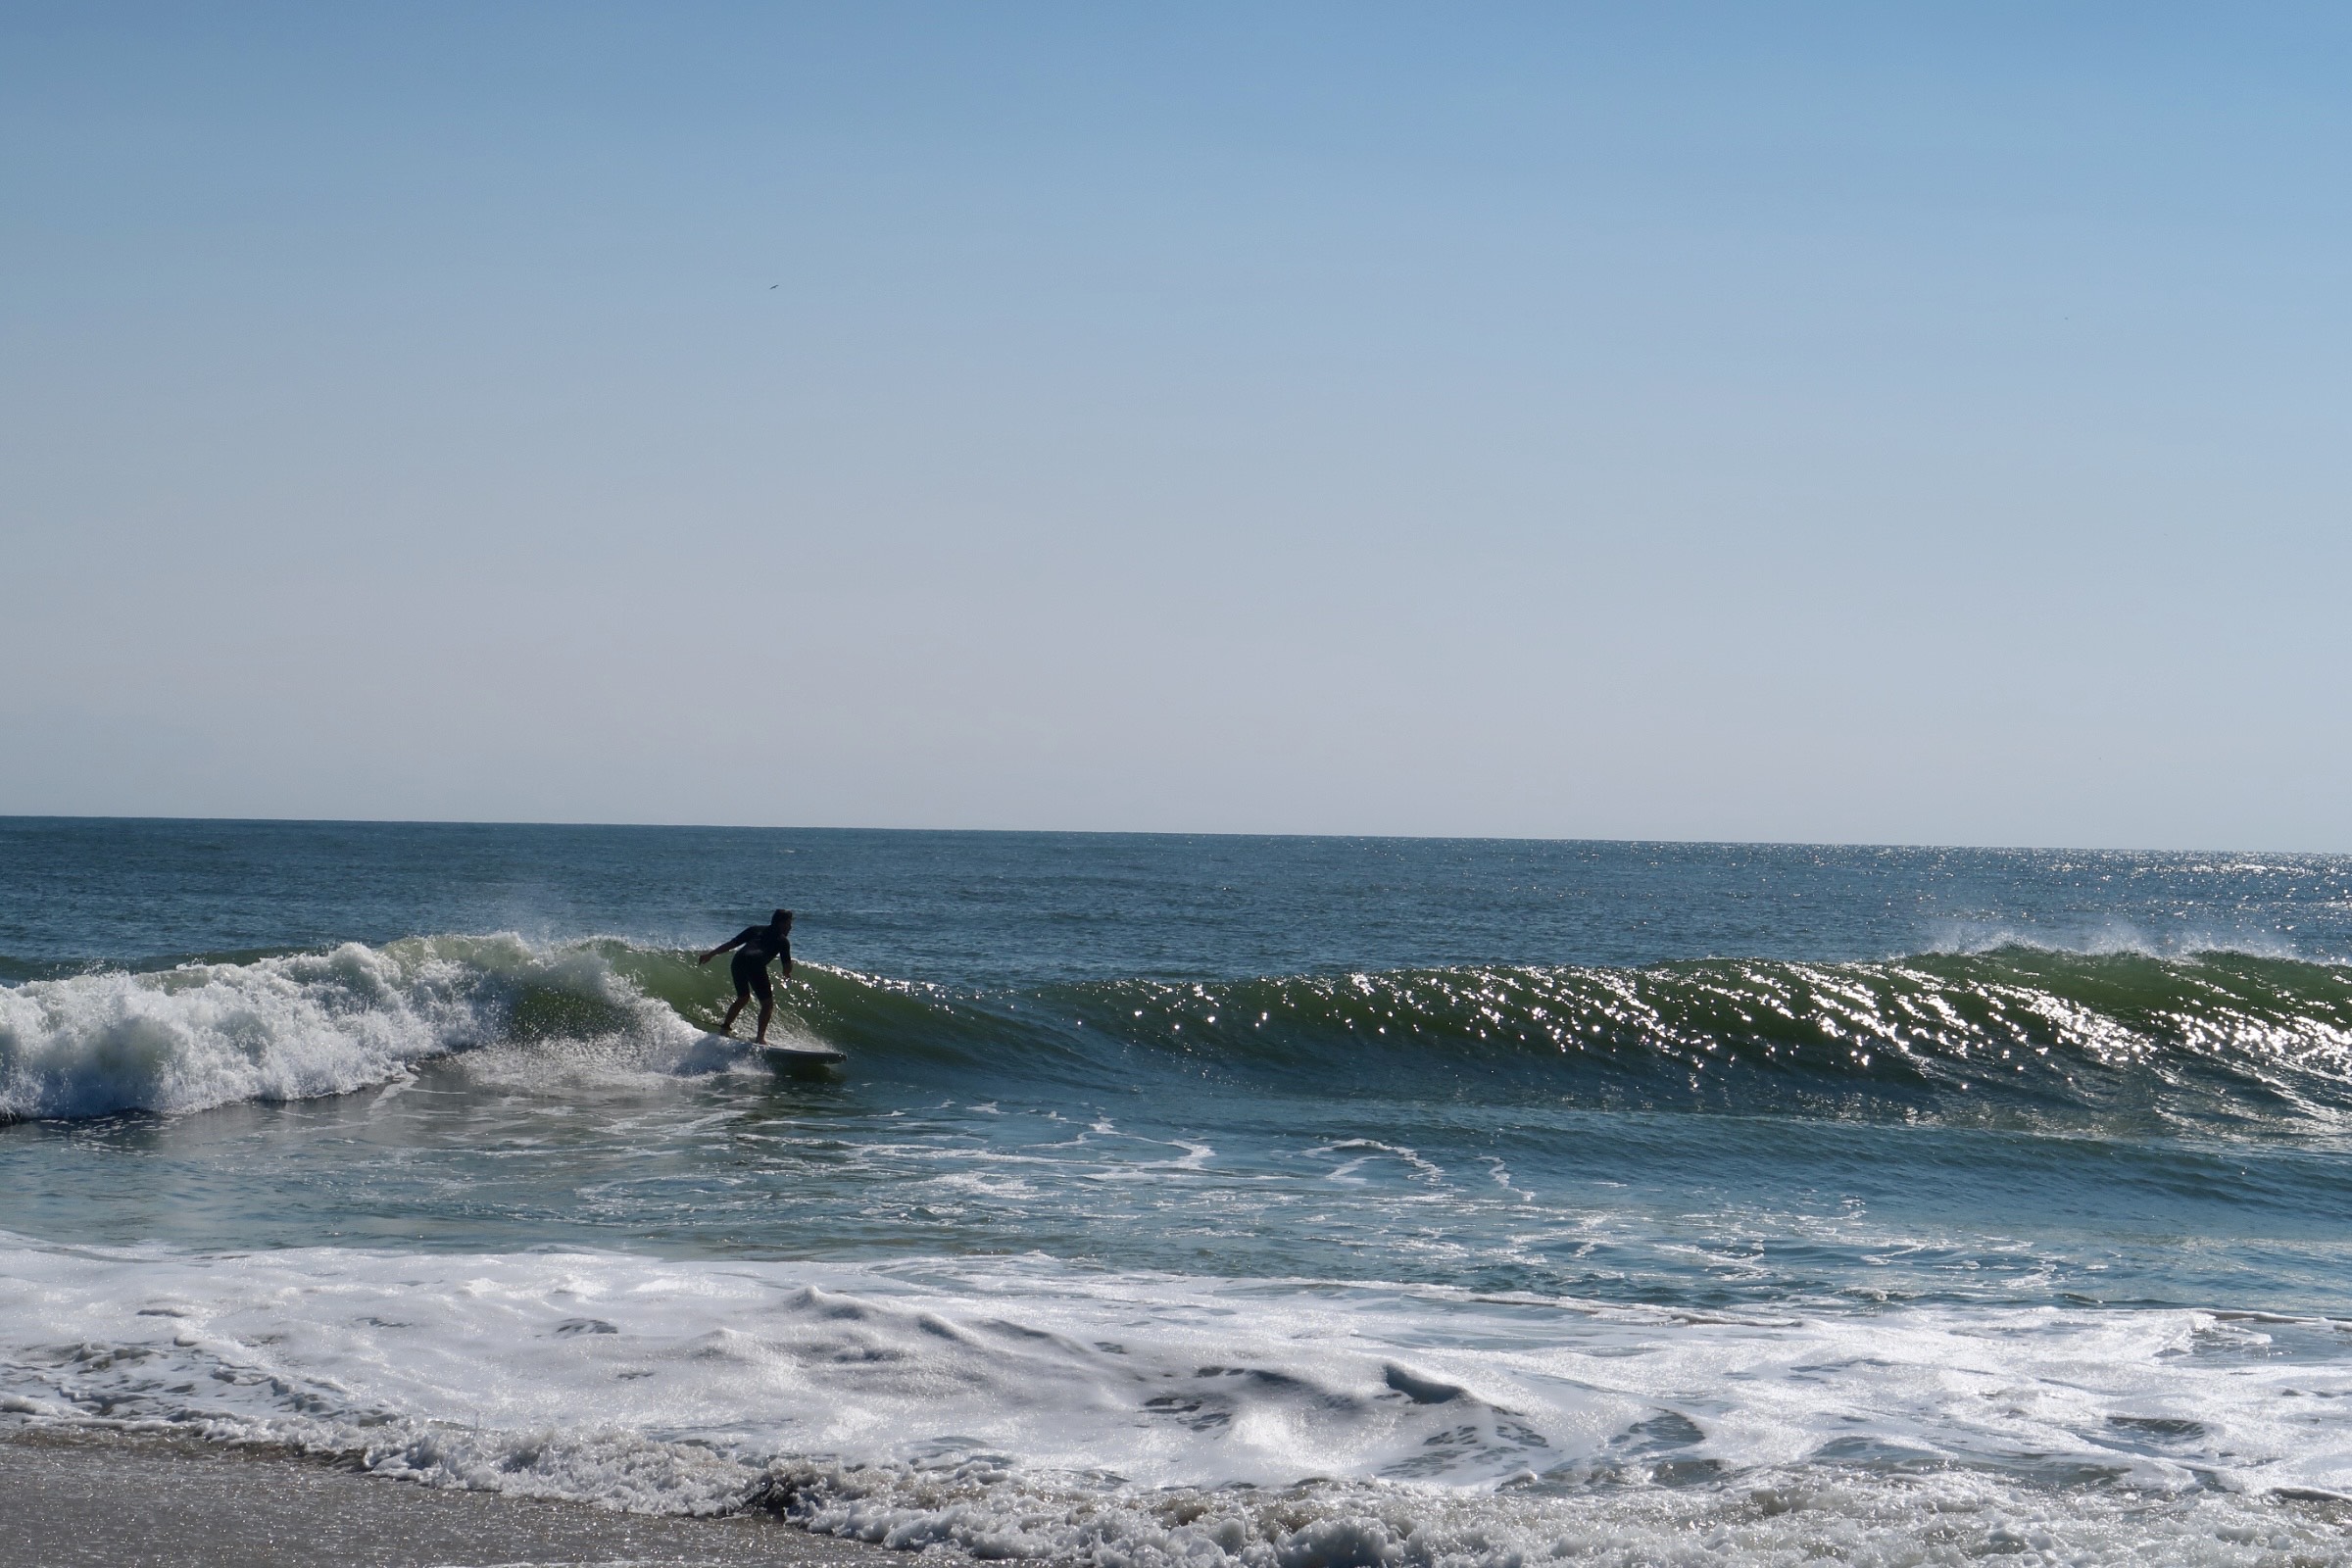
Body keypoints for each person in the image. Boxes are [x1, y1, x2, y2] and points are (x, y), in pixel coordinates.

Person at [697, 909, 794, 1043]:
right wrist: (787, 973)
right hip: (755, 964)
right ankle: (760, 1039)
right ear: (781, 923)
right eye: (789, 924)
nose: (790, 927)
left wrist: (711, 954)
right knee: (767, 1004)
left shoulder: (755, 929)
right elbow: (786, 967)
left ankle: (724, 1028)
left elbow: (732, 944)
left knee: (743, 997)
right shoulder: (783, 941)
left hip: (738, 960)